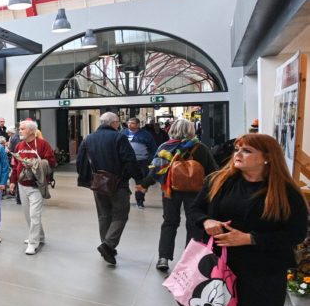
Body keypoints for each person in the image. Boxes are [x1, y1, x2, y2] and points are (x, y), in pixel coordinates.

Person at [190, 134, 307, 306]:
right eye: (237, 149)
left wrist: (251, 238)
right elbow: (196, 209)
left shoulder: (284, 192)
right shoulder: (219, 180)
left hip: (264, 269)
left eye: (247, 150)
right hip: (223, 266)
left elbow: (296, 233)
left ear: (267, 157)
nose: (238, 154)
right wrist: (207, 221)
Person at [137, 118, 219, 272]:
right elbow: (213, 172)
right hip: (196, 192)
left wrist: (144, 185)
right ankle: (190, 260)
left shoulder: (165, 147)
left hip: (170, 191)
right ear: (191, 131)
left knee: (169, 222)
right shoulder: (200, 148)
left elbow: (155, 170)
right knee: (194, 224)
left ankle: (163, 258)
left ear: (172, 130)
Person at [75, 112, 142, 266]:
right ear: (113, 123)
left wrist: (87, 179)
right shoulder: (119, 137)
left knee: (104, 215)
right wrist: (139, 180)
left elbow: (80, 161)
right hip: (118, 184)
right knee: (120, 215)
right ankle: (107, 245)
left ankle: (107, 245)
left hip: (98, 183)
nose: (119, 125)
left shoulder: (88, 138)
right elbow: (129, 160)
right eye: (118, 122)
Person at [8, 120, 56, 255]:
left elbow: (51, 162)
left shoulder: (42, 144)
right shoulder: (19, 146)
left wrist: (36, 163)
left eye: (22, 129)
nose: (19, 131)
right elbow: (15, 165)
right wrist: (12, 181)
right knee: (28, 215)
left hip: (36, 185)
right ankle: (39, 236)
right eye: (19, 129)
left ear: (31, 131)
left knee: (34, 215)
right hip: (22, 184)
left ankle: (33, 243)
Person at [121, 117, 157, 208]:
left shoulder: (146, 135)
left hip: (141, 162)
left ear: (138, 125)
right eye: (128, 122)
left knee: (141, 182)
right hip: (126, 162)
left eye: (132, 123)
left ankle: (139, 200)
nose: (129, 124)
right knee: (122, 181)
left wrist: (151, 160)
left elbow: (153, 148)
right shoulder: (122, 133)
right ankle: (125, 199)